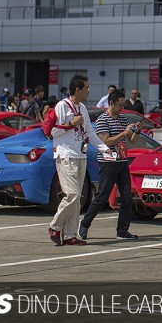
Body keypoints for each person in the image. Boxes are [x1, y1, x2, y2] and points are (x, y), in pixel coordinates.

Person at [47, 75, 108, 246]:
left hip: (81, 155)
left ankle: (70, 235)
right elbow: (51, 132)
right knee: (72, 194)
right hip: (65, 155)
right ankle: (55, 226)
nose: (89, 91)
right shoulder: (61, 106)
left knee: (77, 197)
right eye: (87, 88)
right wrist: (71, 124)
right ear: (77, 90)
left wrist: (104, 148)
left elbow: (89, 131)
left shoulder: (82, 108)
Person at [77, 90, 140, 242]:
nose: (121, 108)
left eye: (123, 105)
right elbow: (105, 141)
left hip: (122, 161)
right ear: (111, 103)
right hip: (107, 161)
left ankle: (122, 230)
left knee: (126, 197)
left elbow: (132, 140)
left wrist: (136, 131)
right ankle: (84, 224)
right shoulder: (102, 120)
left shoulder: (123, 119)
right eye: (119, 105)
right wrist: (123, 133)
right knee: (102, 196)